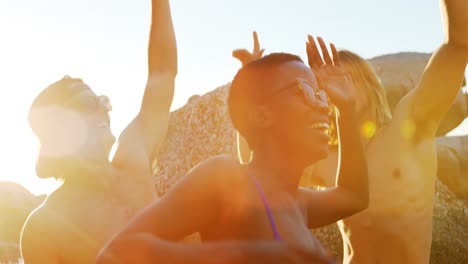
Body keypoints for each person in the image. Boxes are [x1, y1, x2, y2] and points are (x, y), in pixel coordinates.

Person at [96, 38, 369, 263]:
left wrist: (345, 108)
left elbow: (354, 196)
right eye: (305, 91)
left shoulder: (297, 203)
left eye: (322, 95)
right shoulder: (227, 179)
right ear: (262, 115)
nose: (323, 105)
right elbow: (114, 254)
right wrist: (247, 254)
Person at [239, 1, 465, 263]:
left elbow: (458, 45)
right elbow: (257, 174)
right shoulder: (326, 155)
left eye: (344, 76)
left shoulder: (410, 127)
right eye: (325, 81)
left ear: (369, 83)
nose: (334, 85)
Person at [20, 0, 177, 263]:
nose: (104, 111)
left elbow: (162, 73)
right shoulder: (44, 225)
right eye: (88, 104)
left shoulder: (133, 157)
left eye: (103, 101)